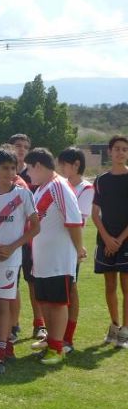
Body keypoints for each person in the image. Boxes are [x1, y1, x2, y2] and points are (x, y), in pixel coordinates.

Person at [0, 147, 39, 374]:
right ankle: (8, 347)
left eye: (13, 168)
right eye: (4, 168)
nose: (9, 172)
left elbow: (35, 227)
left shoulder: (23, 195)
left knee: (3, 306)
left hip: (11, 261)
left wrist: (12, 247)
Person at [24, 148, 85, 364]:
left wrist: (79, 249)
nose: (28, 174)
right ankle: (52, 340)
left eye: (29, 169)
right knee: (46, 301)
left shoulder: (59, 186)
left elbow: (74, 220)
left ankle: (57, 348)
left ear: (38, 166)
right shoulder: (41, 188)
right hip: (43, 259)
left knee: (58, 303)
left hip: (58, 259)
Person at [91, 135, 128, 348]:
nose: (120, 152)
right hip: (106, 239)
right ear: (110, 151)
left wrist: (120, 240)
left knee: (126, 287)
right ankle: (114, 326)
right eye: (117, 149)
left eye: (124, 149)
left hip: (125, 241)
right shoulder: (101, 180)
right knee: (110, 285)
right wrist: (106, 238)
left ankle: (125, 331)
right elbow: (95, 213)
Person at [57, 147, 94, 352]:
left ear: (76, 165)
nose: (61, 168)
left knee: (71, 290)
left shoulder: (86, 189)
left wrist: (79, 247)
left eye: (64, 164)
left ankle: (68, 338)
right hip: (58, 246)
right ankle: (56, 335)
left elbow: (76, 220)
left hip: (71, 248)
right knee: (59, 292)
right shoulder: (62, 185)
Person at [9, 133, 46, 340]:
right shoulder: (5, 174)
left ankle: (39, 323)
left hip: (31, 237)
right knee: (11, 282)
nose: (21, 149)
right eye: (17, 145)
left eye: (24, 146)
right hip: (11, 238)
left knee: (33, 280)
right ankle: (12, 325)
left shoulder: (34, 173)